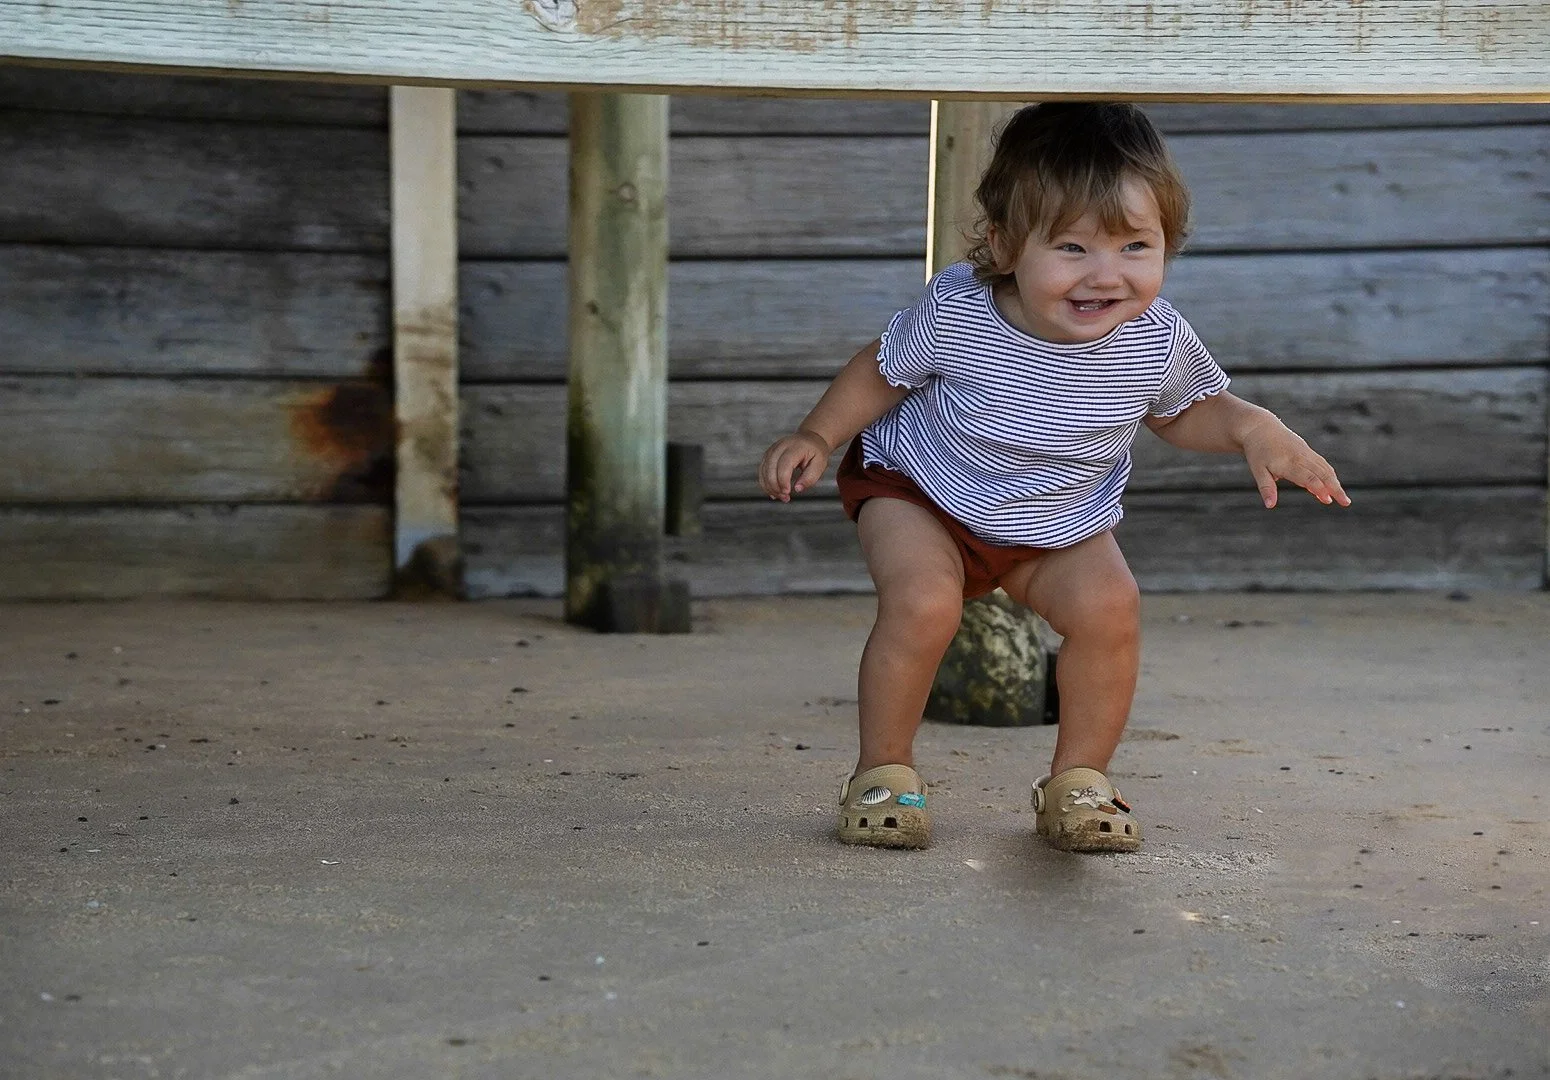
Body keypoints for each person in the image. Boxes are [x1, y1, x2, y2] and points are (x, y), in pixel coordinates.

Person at [757, 102, 1351, 853]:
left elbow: (1180, 413)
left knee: (1112, 609)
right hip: (923, 492)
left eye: (1136, 246)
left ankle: (1078, 781)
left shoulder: (1153, 338)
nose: (1107, 275)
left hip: (1056, 520)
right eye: (1072, 248)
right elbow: (882, 371)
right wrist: (818, 431)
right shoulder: (961, 315)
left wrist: (1248, 428)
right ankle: (884, 772)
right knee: (924, 604)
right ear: (1005, 246)